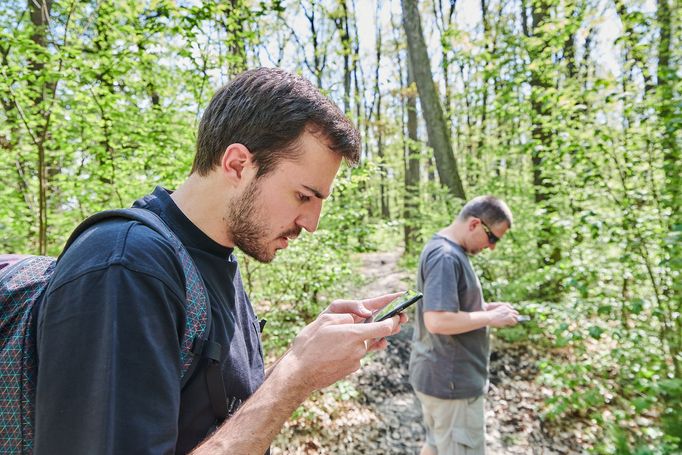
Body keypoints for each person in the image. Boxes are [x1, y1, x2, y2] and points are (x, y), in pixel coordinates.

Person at [34, 68, 406, 455]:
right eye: (303, 196)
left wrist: (303, 354)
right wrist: (294, 378)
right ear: (237, 164)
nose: (311, 224)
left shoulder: (215, 257)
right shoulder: (125, 270)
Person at [408, 196, 519, 455]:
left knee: (436, 445)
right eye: (493, 238)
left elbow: (450, 309)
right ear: (475, 224)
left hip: (441, 378)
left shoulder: (446, 251)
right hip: (451, 383)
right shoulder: (446, 256)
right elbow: (437, 320)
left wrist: (485, 309)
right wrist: (489, 318)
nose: (492, 247)